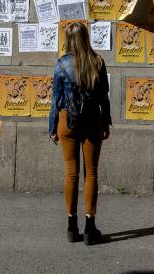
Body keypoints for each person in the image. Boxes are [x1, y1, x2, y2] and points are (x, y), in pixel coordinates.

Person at [49, 22, 111, 245]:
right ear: (86, 37)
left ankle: (71, 226)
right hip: (93, 121)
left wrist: (52, 127)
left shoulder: (61, 64)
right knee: (91, 172)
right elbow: (104, 97)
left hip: (68, 121)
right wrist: (107, 122)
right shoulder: (98, 61)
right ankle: (90, 227)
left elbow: (55, 100)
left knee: (71, 172)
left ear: (68, 39)